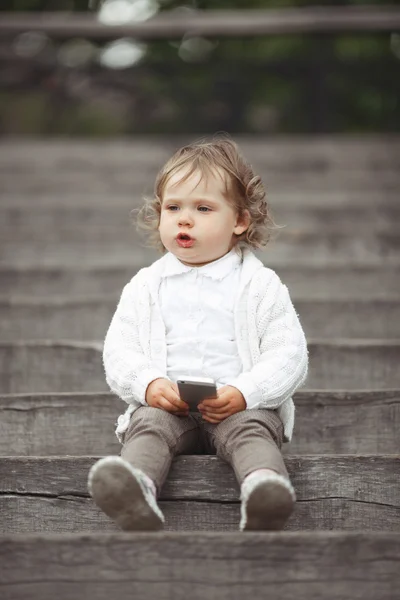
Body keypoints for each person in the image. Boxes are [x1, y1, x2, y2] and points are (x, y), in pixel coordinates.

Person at [88, 135, 309, 532]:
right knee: (148, 425)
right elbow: (120, 349)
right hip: (169, 407)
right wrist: (147, 383)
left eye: (203, 208)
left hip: (241, 407)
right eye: (173, 207)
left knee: (252, 432)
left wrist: (246, 393)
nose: (184, 219)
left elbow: (288, 353)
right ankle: (135, 489)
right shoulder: (145, 285)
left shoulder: (260, 284)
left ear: (239, 220)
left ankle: (264, 490)